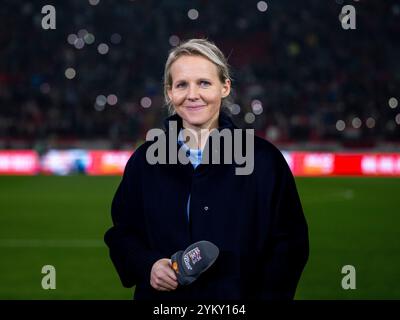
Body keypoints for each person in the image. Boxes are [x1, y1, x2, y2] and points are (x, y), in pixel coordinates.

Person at [104, 38, 309, 300]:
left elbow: (289, 245)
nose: (192, 95)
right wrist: (148, 265)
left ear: (224, 87)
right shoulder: (145, 161)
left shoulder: (264, 161)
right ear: (169, 92)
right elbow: (123, 233)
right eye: (181, 85)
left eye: (204, 83)